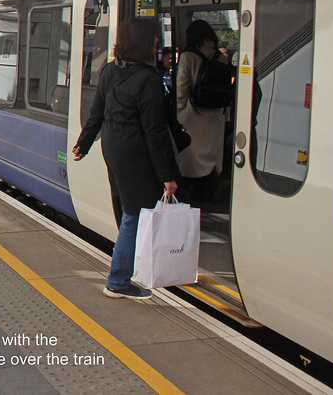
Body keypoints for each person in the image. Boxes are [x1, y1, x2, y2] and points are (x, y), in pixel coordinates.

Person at [73, 17, 179, 300]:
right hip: (137, 154)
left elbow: (97, 113)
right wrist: (168, 175)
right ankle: (118, 280)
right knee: (134, 216)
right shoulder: (149, 80)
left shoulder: (109, 71)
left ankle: (128, 274)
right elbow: (155, 132)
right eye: (156, 39)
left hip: (114, 148)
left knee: (131, 211)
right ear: (147, 43)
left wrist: (83, 143)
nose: (159, 43)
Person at [176, 20, 228, 202]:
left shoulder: (188, 57)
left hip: (192, 117)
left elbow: (181, 90)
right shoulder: (222, 58)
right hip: (216, 118)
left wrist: (178, 114)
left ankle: (194, 197)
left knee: (192, 162)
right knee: (211, 160)